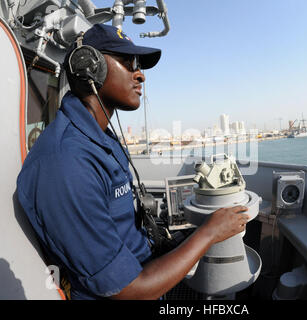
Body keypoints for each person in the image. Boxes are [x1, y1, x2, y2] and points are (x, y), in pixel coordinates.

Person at [16, 24, 249, 300]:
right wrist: (208, 234)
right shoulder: (66, 164)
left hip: (146, 266)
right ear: (89, 67)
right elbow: (129, 290)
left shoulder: (99, 137)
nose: (141, 75)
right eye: (128, 63)